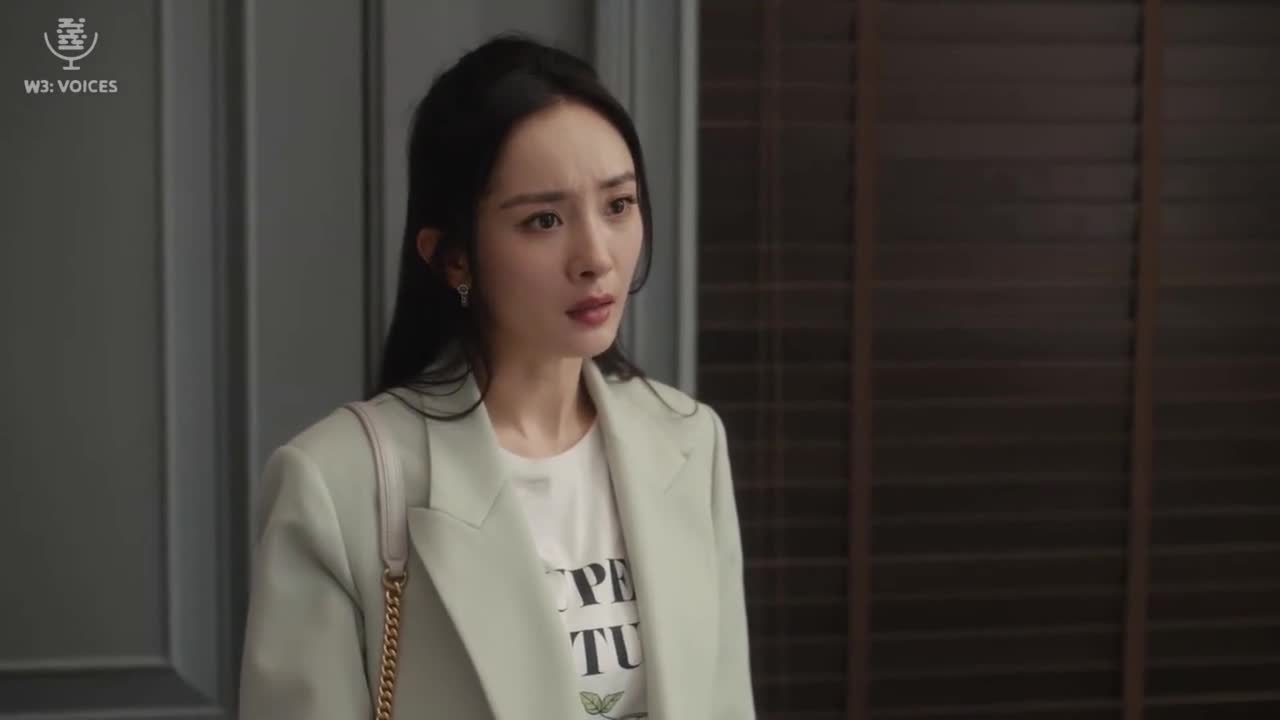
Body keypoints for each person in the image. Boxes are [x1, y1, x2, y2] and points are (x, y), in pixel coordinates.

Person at [238, 34, 755, 720]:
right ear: (452, 257)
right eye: (544, 220)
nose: (596, 256)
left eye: (618, 205)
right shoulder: (334, 486)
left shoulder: (689, 442)